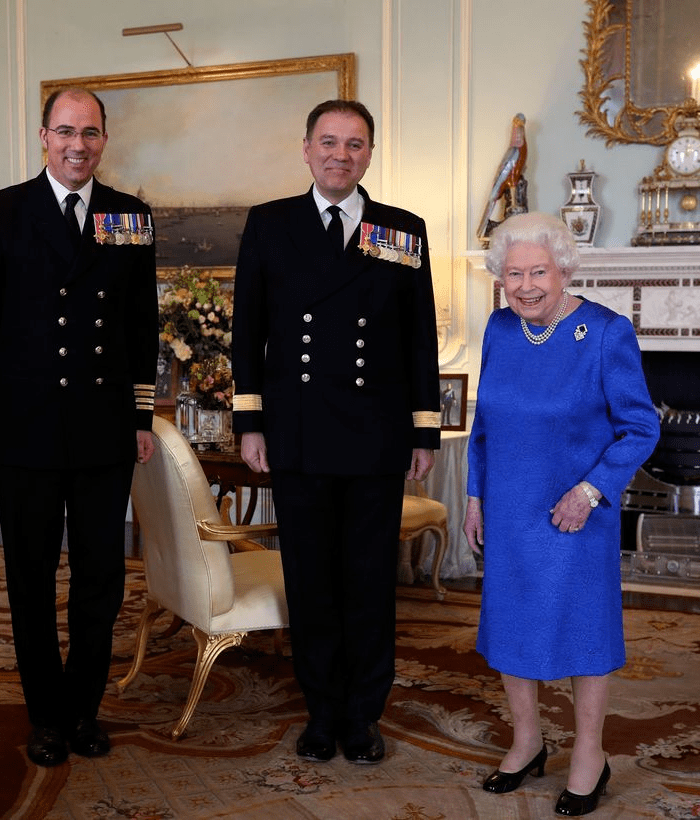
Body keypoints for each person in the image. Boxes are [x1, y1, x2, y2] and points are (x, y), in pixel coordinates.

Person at [232, 99, 440, 764]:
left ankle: (363, 716)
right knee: (312, 580)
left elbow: (419, 341)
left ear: (369, 155)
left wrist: (424, 432)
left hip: (376, 434)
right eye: (328, 142)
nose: (339, 155)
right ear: (306, 148)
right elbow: (248, 333)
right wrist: (249, 423)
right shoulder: (270, 225)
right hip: (297, 432)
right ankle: (321, 712)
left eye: (354, 145)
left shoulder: (401, 230)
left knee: (371, 580)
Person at [0, 87, 158, 767]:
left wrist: (140, 416)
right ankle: (45, 715)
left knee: (101, 577)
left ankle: (83, 710)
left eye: (91, 133)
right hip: (25, 427)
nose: (79, 144)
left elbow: (139, 324)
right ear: (44, 136)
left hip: (103, 430)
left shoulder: (130, 217)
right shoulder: (3, 211)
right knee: (31, 575)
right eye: (66, 131)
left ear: (106, 139)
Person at [463, 212, 659, 816]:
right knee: (511, 626)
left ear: (564, 269)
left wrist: (592, 491)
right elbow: (485, 424)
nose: (525, 285)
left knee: (582, 634)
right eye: (513, 273)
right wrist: (475, 496)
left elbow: (640, 426)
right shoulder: (499, 329)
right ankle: (527, 743)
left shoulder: (605, 332)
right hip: (509, 510)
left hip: (575, 514)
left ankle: (589, 756)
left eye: (538, 272)